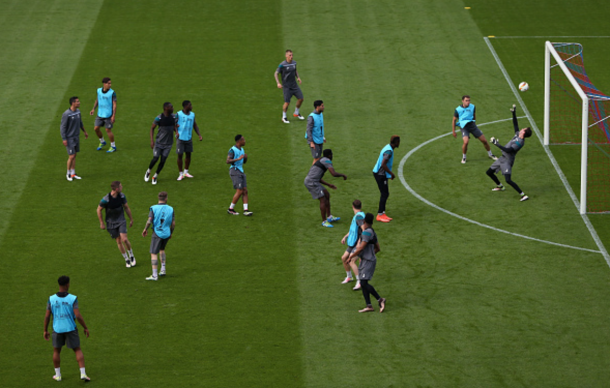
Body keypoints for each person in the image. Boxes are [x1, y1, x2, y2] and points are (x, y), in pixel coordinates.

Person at [43, 275, 91, 382]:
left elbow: (47, 316)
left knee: (56, 351)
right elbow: (78, 315)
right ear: (67, 284)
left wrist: (45, 330)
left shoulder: (51, 299)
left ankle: (58, 375)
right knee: (77, 349)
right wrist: (85, 327)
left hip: (57, 329)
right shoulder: (73, 298)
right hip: (70, 328)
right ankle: (83, 374)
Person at [486, 105, 532, 201]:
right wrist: (514, 113)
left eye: (523, 129)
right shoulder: (517, 135)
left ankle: (523, 195)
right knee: (489, 172)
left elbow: (508, 150)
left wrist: (496, 144)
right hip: (502, 158)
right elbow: (515, 125)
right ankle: (500, 186)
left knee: (508, 180)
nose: (521, 129)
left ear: (524, 133)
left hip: (507, 161)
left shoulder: (520, 142)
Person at [347, 213, 386, 313]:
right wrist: (370, 255)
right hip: (366, 260)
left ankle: (380, 300)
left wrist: (351, 256)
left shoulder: (366, 233)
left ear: (364, 221)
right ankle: (369, 305)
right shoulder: (372, 231)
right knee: (363, 282)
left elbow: (361, 248)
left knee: (363, 282)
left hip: (368, 261)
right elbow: (378, 248)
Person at [96, 181, 136, 268]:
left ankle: (131, 255)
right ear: (117, 189)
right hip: (111, 222)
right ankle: (126, 259)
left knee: (124, 239)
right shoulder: (106, 199)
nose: (122, 187)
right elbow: (98, 210)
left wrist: (131, 219)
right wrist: (101, 223)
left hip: (121, 220)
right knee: (118, 241)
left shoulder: (122, 196)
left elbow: (126, 207)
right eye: (121, 186)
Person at [303, 149, 347, 227]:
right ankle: (324, 221)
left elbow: (318, 177)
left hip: (314, 181)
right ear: (329, 155)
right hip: (311, 182)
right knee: (322, 199)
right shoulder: (327, 161)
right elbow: (333, 173)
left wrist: (329, 184)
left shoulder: (321, 160)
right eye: (331, 154)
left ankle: (329, 217)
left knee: (326, 194)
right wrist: (342, 175)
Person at [452, 95, 498, 164]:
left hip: (472, 125)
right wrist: (454, 131)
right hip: (464, 127)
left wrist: (474, 123)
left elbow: (474, 115)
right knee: (466, 142)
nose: (468, 102)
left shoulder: (473, 106)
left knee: (484, 140)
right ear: (462, 101)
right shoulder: (458, 109)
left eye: (469, 100)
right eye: (466, 100)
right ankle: (464, 157)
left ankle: (490, 154)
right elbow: (454, 120)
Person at [142, 191, 175, 281]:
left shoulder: (153, 208)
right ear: (166, 198)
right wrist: (171, 233)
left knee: (153, 253)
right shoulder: (171, 209)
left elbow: (149, 221)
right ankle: (163, 270)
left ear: (158, 198)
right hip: (167, 233)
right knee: (162, 249)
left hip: (157, 233)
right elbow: (173, 223)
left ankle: (154, 275)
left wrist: (145, 229)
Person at [144, 102, 177, 185]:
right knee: (155, 158)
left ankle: (155, 176)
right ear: (166, 108)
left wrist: (176, 132)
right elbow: (152, 129)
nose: (173, 108)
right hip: (159, 143)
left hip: (168, 144)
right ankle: (149, 171)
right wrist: (152, 141)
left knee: (163, 160)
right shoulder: (159, 118)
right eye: (171, 107)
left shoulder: (174, 117)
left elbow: (174, 126)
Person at [372, 136, 400, 223]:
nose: (399, 143)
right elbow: (383, 164)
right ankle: (380, 214)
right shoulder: (389, 151)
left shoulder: (388, 148)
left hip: (381, 173)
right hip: (380, 174)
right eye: (398, 141)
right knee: (384, 193)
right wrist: (391, 173)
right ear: (395, 142)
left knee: (385, 193)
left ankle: (382, 213)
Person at [60, 96, 88, 182]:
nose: (79, 103)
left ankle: (73, 173)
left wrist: (84, 131)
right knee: (71, 156)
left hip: (76, 136)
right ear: (73, 103)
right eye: (77, 102)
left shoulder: (78, 111)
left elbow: (80, 122)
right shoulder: (66, 114)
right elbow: (62, 127)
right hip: (69, 138)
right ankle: (68, 173)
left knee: (75, 155)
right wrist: (64, 139)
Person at [340, 200, 365, 290]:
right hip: (353, 242)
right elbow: (353, 230)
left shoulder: (359, 217)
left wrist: (359, 242)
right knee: (344, 258)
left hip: (358, 243)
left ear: (352, 206)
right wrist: (345, 236)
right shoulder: (358, 216)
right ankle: (349, 277)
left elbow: (364, 230)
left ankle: (359, 281)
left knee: (351, 261)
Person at [274, 49, 304, 124]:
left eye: (292, 55)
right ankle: (284, 117)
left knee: (301, 99)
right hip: (286, 87)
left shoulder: (294, 63)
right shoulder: (282, 65)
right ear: (286, 56)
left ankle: (296, 113)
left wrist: (298, 77)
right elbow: (276, 74)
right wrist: (278, 83)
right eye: (290, 55)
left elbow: (295, 70)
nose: (291, 56)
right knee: (287, 102)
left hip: (294, 85)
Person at [176, 100, 203, 181]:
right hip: (180, 138)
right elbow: (174, 124)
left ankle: (186, 172)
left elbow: (194, 125)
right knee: (180, 155)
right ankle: (180, 174)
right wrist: (176, 132)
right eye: (190, 105)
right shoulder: (178, 114)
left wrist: (199, 135)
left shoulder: (192, 114)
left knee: (188, 155)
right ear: (185, 106)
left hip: (188, 138)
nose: (191, 106)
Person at [226, 135, 253, 216]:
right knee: (240, 190)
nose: (245, 141)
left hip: (240, 171)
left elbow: (243, 162)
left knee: (245, 190)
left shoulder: (242, 149)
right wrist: (238, 158)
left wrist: (245, 158)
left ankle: (246, 210)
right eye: (243, 139)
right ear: (239, 141)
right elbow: (228, 161)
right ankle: (230, 209)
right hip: (235, 171)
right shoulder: (232, 150)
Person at [90, 77, 117, 152]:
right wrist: (93, 109)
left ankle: (113, 146)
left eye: (110, 83)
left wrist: (113, 115)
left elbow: (115, 104)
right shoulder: (98, 90)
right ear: (104, 84)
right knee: (96, 128)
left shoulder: (112, 93)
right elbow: (98, 99)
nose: (110, 85)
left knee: (108, 130)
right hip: (100, 114)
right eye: (108, 83)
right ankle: (102, 142)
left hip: (108, 115)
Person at [305, 100, 325, 164]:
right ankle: (312, 173)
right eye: (322, 106)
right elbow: (308, 130)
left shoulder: (321, 114)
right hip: (314, 141)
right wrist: (311, 142)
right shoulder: (312, 117)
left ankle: (315, 173)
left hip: (319, 139)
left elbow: (320, 127)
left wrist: (323, 137)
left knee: (318, 157)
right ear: (317, 107)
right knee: (316, 158)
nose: (323, 107)